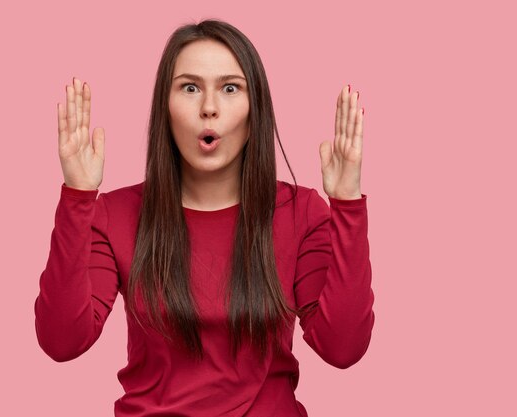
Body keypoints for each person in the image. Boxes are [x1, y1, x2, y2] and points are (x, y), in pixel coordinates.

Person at [34, 18, 375, 417]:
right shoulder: (115, 214)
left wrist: (347, 203)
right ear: (166, 106)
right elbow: (61, 342)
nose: (209, 108)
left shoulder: (301, 212)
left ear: (255, 110)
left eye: (230, 88)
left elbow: (343, 348)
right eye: (190, 87)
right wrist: (78, 196)